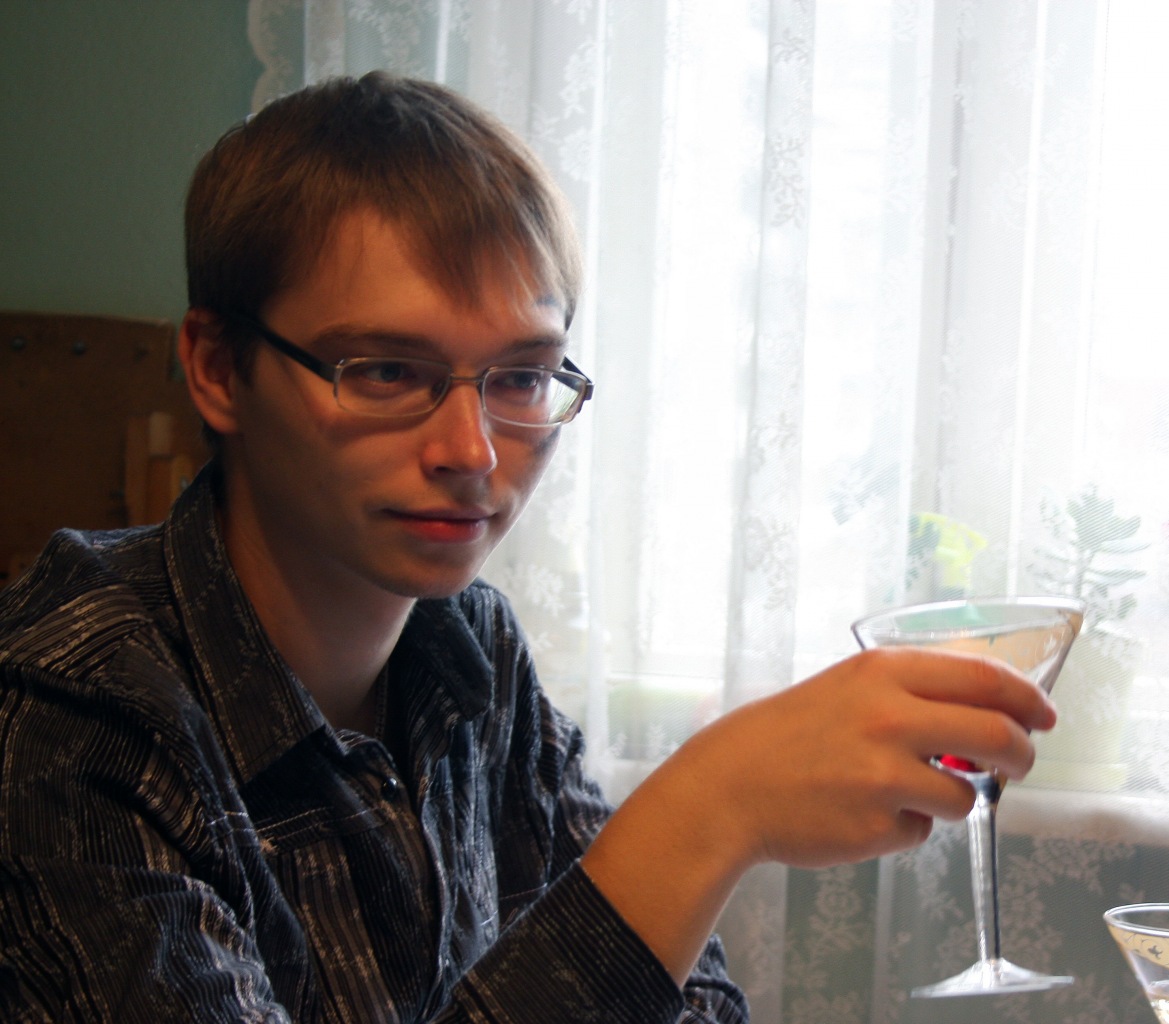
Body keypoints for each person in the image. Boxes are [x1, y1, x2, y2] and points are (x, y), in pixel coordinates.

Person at [0, 73, 1055, 1023]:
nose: (470, 452)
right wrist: (709, 810)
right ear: (217, 369)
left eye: (519, 377)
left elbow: (685, 1005)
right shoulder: (69, 710)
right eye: (385, 371)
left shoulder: (468, 647)